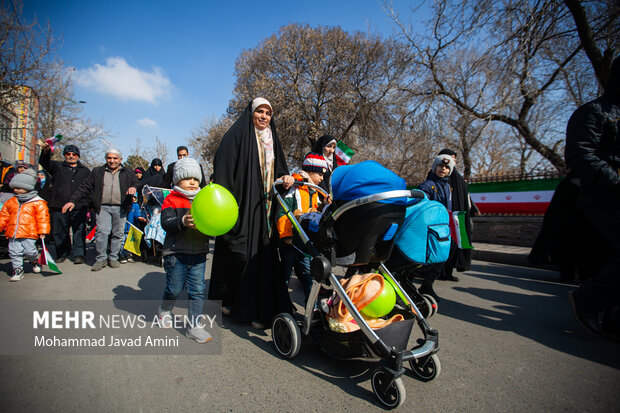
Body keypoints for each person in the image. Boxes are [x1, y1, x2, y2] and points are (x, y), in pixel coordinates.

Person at [208, 97, 295, 329]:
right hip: (241, 206)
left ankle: (259, 309)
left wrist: (287, 179)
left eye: (268, 112)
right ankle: (229, 299)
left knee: (262, 257)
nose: (264, 116)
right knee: (240, 254)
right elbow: (223, 169)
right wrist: (228, 204)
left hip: (265, 209)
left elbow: (281, 170)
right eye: (260, 111)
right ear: (251, 112)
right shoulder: (236, 135)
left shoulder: (272, 140)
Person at [565, 56, 620, 341]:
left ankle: (613, 318)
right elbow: (580, 154)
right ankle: (589, 299)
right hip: (604, 196)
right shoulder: (595, 112)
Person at [157, 157, 212, 343]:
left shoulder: (205, 199)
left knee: (197, 291)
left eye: (196, 179)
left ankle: (194, 327)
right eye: (187, 178)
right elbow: (165, 223)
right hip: (176, 254)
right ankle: (165, 309)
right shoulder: (170, 199)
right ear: (177, 180)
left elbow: (212, 224)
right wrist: (181, 222)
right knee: (174, 288)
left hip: (199, 253)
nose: (192, 182)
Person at [62, 149, 138, 271]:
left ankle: (113, 257)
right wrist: (73, 200)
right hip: (103, 207)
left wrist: (133, 187)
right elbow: (85, 187)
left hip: (121, 207)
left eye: (115, 158)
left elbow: (136, 183)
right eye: (109, 158)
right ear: (106, 159)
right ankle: (101, 259)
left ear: (120, 159)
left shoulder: (127, 172)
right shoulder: (98, 172)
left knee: (118, 233)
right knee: (102, 232)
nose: (112, 161)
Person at [277, 153, 329, 303]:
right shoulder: (295, 187)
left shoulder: (316, 192)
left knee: (308, 275)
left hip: (305, 242)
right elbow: (283, 212)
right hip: (291, 241)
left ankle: (310, 308)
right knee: (285, 274)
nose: (321, 179)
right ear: (309, 171)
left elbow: (314, 213)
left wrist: (324, 205)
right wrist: (286, 235)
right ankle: (282, 306)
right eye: (319, 174)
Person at [39, 143, 91, 264]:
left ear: (78, 156)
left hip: (79, 205)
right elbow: (44, 162)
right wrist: (45, 152)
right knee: (59, 231)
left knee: (79, 230)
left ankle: (79, 254)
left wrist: (89, 204)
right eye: (68, 154)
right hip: (59, 205)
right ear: (64, 155)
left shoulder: (85, 171)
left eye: (74, 154)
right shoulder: (57, 166)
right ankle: (62, 252)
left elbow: (89, 188)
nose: (71, 156)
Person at [416, 154, 456, 301]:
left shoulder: (447, 186)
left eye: (446, 167)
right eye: (440, 166)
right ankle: (422, 279)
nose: (443, 169)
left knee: (447, 251)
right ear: (434, 167)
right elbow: (423, 206)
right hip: (430, 228)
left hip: (442, 228)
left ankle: (428, 284)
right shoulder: (428, 185)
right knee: (433, 256)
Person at [0, 170, 50, 281]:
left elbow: (43, 218)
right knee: (14, 252)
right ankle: (17, 270)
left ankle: (34, 261)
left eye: (19, 188)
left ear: (28, 188)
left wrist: (42, 231)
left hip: (29, 233)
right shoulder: (11, 201)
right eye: (14, 188)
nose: (16, 190)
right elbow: (3, 216)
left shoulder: (37, 202)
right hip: (13, 232)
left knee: (30, 251)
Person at [436, 149, 478, 281]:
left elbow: (466, 198)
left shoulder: (458, 179)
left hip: (456, 219)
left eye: (454, 158)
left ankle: (448, 271)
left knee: (455, 245)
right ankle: (436, 272)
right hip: (441, 218)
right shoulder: (435, 178)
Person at [119, 194, 146, 263]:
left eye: (135, 197)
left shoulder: (136, 205)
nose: (134, 199)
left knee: (130, 242)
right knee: (123, 241)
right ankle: (122, 255)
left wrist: (140, 218)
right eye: (132, 197)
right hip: (124, 226)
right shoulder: (123, 205)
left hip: (132, 227)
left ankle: (128, 254)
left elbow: (137, 214)